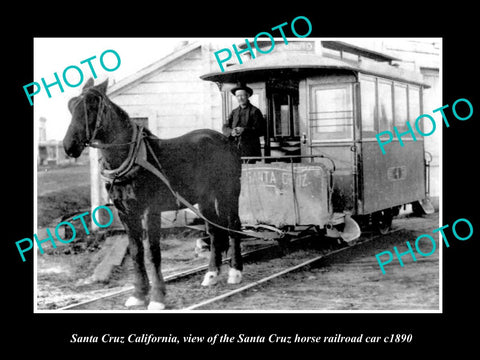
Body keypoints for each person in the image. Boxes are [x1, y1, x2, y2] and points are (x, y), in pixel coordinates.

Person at [223, 83, 265, 160]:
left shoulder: (255, 111)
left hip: (251, 149)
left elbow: (261, 130)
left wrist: (244, 130)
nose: (240, 98)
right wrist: (231, 131)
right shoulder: (234, 112)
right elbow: (225, 126)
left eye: (242, 95)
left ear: (248, 96)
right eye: (238, 96)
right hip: (234, 148)